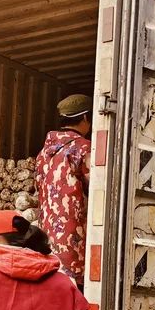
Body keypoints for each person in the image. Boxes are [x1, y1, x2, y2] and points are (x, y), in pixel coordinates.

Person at [35, 94, 92, 289]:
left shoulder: (43, 153)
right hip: (74, 239)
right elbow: (96, 188)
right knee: (74, 293)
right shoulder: (82, 148)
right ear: (85, 118)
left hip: (46, 238)